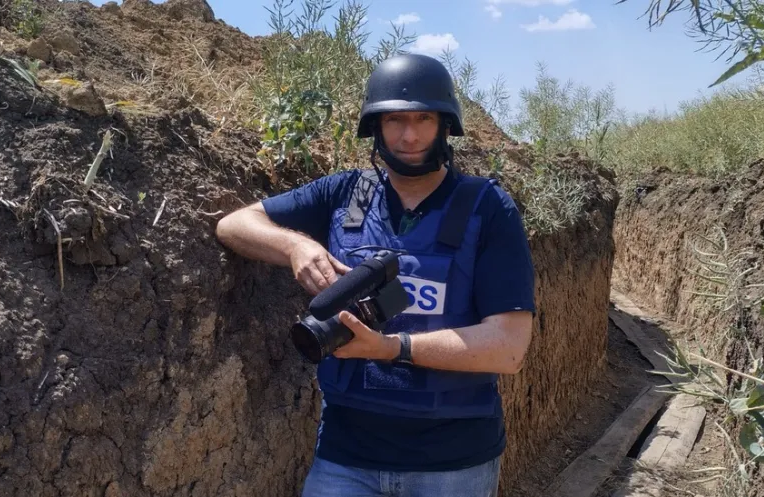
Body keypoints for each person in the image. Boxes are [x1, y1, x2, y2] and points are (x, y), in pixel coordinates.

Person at [215, 53, 535, 497]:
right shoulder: (344, 192)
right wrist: (296, 245)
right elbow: (232, 224)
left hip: (453, 464)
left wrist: (391, 348)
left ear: (445, 125)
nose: (409, 135)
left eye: (423, 118)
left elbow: (508, 348)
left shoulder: (487, 208)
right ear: (375, 126)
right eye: (394, 119)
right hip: (346, 457)